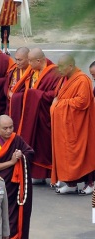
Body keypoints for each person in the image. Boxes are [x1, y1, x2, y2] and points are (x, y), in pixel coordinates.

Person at [9, 48, 61, 185]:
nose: (29, 64)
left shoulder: (54, 73)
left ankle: (45, 174)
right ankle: (37, 175)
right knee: (33, 144)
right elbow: (24, 90)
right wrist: (21, 96)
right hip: (33, 114)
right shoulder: (34, 70)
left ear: (39, 60)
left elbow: (55, 94)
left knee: (44, 146)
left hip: (44, 115)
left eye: (30, 61)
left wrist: (34, 95)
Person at [51, 54, 95, 195]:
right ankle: (71, 183)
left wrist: (60, 104)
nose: (59, 69)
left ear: (71, 66)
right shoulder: (64, 79)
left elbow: (82, 101)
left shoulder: (82, 80)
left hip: (80, 125)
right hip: (66, 125)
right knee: (67, 155)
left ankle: (90, 183)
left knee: (83, 154)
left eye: (62, 66)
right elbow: (58, 95)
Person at [0, 115, 34, 239]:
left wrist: (22, 155)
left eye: (11, 127)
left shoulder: (16, 139)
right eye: (5, 128)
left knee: (14, 213)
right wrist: (11, 162)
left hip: (15, 185)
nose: (8, 131)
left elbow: (30, 152)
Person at [4, 47, 32, 115]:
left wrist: (15, 96)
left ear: (28, 59)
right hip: (11, 104)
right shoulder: (14, 69)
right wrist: (8, 93)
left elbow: (32, 92)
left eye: (20, 60)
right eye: (16, 59)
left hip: (25, 106)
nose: (17, 62)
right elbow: (7, 85)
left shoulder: (32, 72)